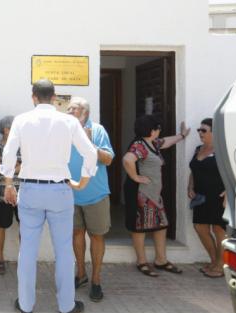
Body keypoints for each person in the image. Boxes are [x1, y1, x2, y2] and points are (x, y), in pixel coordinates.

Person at [2, 80, 97, 313]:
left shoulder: (21, 120)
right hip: (59, 190)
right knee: (64, 250)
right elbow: (90, 152)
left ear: (33, 96)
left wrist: (8, 183)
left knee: (27, 250)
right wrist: (83, 181)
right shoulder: (68, 121)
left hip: (31, 189)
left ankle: (26, 306)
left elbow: (9, 152)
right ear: (54, 97)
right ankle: (66, 307)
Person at [122, 115, 190, 278]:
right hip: (141, 193)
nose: (159, 131)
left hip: (153, 193)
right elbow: (127, 159)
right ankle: (142, 262)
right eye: (158, 128)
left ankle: (161, 260)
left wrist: (181, 136)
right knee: (140, 227)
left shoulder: (152, 143)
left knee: (161, 225)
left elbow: (165, 141)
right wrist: (135, 177)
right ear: (152, 130)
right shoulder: (140, 145)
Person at [66, 97, 114, 302]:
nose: (68, 111)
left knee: (96, 236)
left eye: (73, 109)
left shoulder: (97, 130)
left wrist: (89, 144)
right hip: (70, 194)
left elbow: (109, 159)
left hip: (96, 195)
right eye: (67, 108)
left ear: (84, 112)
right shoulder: (65, 130)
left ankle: (96, 280)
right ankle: (81, 274)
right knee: (76, 234)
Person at [188, 118, 226, 278]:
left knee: (219, 230)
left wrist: (228, 192)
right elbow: (193, 170)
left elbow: (233, 172)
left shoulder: (223, 150)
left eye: (204, 130)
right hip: (201, 197)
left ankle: (220, 266)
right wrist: (190, 187)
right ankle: (213, 260)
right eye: (199, 130)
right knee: (200, 227)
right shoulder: (199, 149)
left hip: (218, 196)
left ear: (214, 132)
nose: (200, 133)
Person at [0, 115, 20, 275]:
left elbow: (26, 166)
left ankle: (25, 259)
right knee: (1, 226)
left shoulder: (23, 144)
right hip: (1, 194)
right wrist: (15, 168)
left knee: (26, 227)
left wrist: (6, 167)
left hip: (23, 193)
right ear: (6, 130)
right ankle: (0, 259)